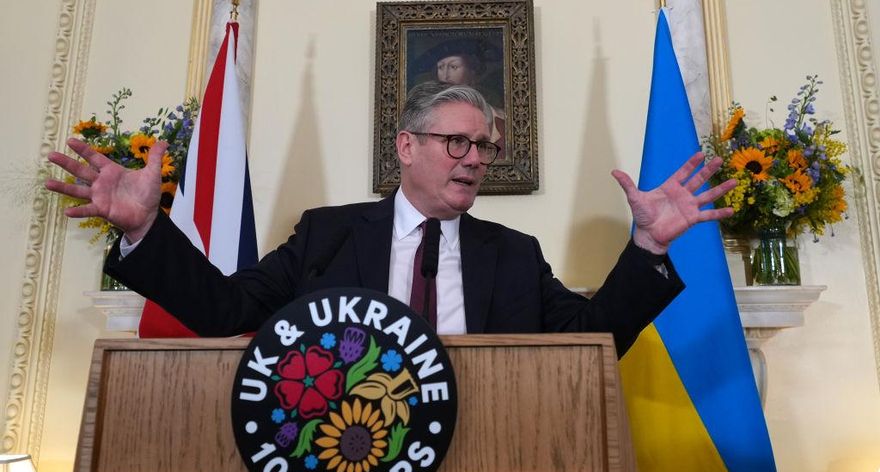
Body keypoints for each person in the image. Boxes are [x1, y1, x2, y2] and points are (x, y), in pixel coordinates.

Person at [45, 82, 735, 357]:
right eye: (456, 142)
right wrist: (144, 229)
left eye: (485, 147)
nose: (475, 159)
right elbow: (223, 310)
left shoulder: (514, 253)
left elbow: (592, 341)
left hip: (492, 456)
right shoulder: (327, 235)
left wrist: (647, 247)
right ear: (406, 146)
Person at [415, 39, 506, 157]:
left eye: (453, 67)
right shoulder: (425, 119)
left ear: (473, 70)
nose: (445, 76)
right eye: (440, 67)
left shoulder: (499, 119)